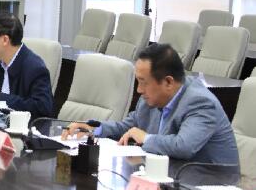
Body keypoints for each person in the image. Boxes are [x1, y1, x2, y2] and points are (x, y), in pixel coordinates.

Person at [62, 43, 239, 165]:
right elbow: (128, 128)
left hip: (211, 187)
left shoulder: (200, 102)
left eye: (143, 82)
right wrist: (93, 129)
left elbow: (184, 146)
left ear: (168, 82)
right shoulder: (152, 97)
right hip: (169, 178)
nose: (139, 90)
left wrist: (145, 138)